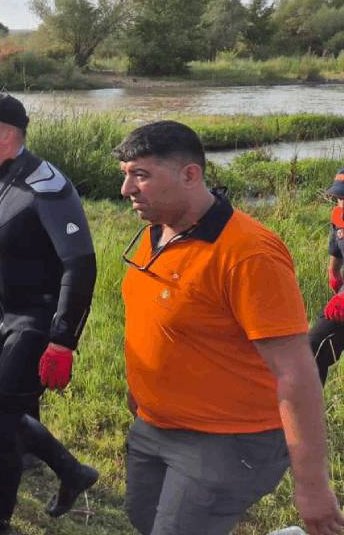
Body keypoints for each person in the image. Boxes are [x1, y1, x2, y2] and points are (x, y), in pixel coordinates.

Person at [116, 121, 344, 535]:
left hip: (230, 438)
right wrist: (142, 392)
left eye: (141, 175)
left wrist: (312, 486)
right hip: (154, 424)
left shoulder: (248, 253)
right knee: (142, 518)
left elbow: (296, 371)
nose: (126, 189)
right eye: (126, 175)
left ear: (190, 174)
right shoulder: (158, 232)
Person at [0, 93, 100, 535]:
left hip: (37, 321)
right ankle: (72, 472)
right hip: (0, 318)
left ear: (7, 134)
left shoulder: (46, 185)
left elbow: (79, 264)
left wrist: (63, 339)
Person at [310, 167, 344, 384]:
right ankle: (312, 405)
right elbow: (336, 246)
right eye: (340, 198)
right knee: (313, 347)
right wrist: (334, 271)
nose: (343, 204)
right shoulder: (339, 215)